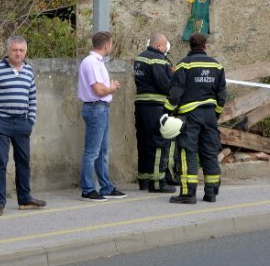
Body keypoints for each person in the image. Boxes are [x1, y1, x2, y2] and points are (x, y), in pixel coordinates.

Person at [0, 36, 46, 216]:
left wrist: (30, 120)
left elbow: (32, 97)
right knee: (1, 162)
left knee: (24, 162)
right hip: (0, 122)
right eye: (15, 50)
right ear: (8, 50)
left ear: (26, 51)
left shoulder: (29, 71)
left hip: (22, 123)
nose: (18, 53)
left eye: (21, 50)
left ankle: (25, 199)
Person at [165, 33, 227, 204]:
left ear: (190, 46)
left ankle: (188, 193)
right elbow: (222, 96)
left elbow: (176, 93)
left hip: (189, 116)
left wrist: (167, 112)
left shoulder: (184, 65)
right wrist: (215, 114)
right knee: (210, 153)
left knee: (187, 152)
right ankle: (211, 193)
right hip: (209, 116)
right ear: (205, 46)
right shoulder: (217, 66)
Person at [78, 31, 127, 201]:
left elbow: (99, 87)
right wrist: (112, 88)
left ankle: (105, 187)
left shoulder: (96, 62)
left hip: (101, 108)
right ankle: (88, 189)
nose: (111, 46)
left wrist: (110, 86)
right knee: (92, 152)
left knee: (102, 151)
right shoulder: (91, 62)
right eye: (111, 43)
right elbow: (98, 90)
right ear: (106, 45)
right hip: (95, 108)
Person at [133, 33, 176, 193]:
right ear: (159, 46)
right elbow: (164, 84)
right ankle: (158, 183)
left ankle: (144, 180)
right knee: (159, 143)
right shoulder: (158, 59)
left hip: (141, 105)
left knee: (144, 143)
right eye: (165, 46)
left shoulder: (140, 58)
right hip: (156, 106)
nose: (166, 49)